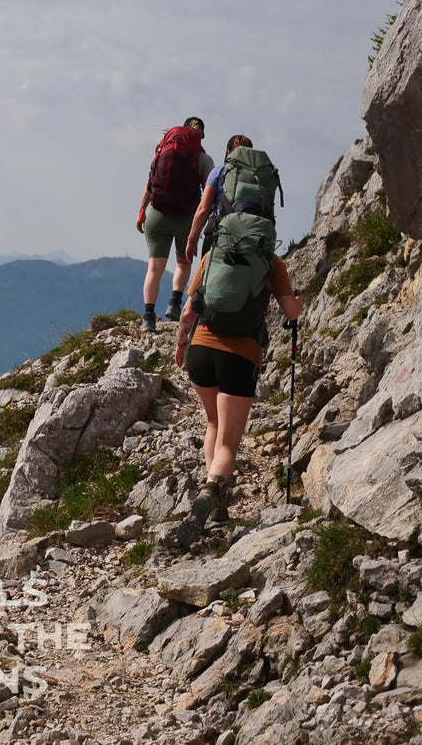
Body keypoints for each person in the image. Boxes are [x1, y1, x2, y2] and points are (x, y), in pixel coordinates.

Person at [167, 224, 303, 548]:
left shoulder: (212, 255)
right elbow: (291, 311)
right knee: (229, 442)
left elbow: (188, 311)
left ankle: (217, 506)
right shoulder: (271, 262)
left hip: (200, 349)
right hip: (240, 355)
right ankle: (212, 489)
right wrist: (299, 301)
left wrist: (181, 345)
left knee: (212, 422)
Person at [136, 116, 213, 332]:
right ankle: (175, 303)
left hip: (157, 214)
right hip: (185, 217)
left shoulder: (162, 150)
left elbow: (150, 183)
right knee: (182, 263)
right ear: (201, 136)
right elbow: (209, 190)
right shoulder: (203, 158)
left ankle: (148, 317)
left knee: (154, 268)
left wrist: (142, 211)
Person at [184, 133, 252, 264]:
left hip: (219, 235)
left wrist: (192, 240)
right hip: (252, 236)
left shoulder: (219, 171)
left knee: (205, 278)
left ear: (228, 152)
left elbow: (203, 209)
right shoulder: (261, 175)